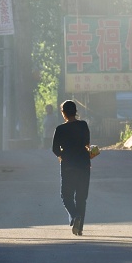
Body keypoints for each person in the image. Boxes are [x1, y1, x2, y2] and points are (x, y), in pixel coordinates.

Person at [51, 100, 92, 236]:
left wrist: (63, 155)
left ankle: (75, 216)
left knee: (66, 195)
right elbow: (87, 142)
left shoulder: (60, 129)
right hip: (84, 165)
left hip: (68, 165)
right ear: (75, 111)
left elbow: (54, 149)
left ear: (64, 113)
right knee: (81, 197)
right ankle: (79, 228)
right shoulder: (83, 125)